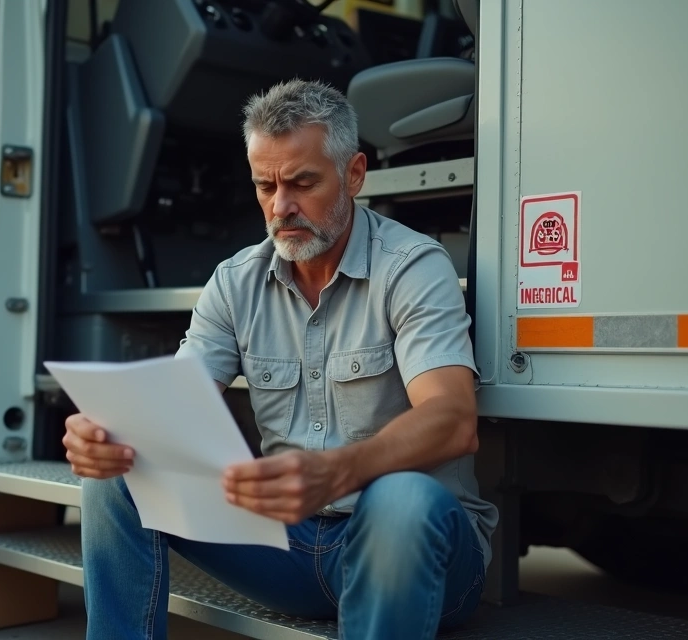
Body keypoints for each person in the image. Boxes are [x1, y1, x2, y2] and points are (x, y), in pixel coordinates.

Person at [63, 78, 499, 640]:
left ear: (354, 174)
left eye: (302, 183)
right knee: (118, 471)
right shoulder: (234, 282)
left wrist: (337, 471)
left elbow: (454, 420)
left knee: (402, 497)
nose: (281, 207)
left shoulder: (412, 266)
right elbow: (175, 406)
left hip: (410, 553)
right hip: (287, 547)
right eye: (265, 186)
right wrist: (106, 434)